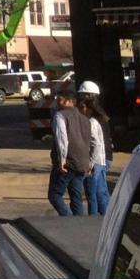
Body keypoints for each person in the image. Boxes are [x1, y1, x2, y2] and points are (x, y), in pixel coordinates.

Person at [49, 88, 92, 216]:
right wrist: (90, 162)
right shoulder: (85, 119)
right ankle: (79, 224)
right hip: (82, 163)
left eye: (60, 99)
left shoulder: (60, 115)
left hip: (68, 162)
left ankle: (68, 219)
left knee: (55, 195)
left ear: (68, 101)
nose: (57, 101)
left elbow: (62, 139)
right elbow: (91, 141)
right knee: (76, 196)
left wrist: (62, 160)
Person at [78, 82, 112, 215]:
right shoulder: (100, 113)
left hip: (98, 159)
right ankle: (105, 218)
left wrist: (90, 163)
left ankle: (99, 219)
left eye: (82, 95)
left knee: (95, 194)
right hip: (104, 158)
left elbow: (96, 143)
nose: (81, 99)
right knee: (100, 192)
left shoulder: (93, 119)